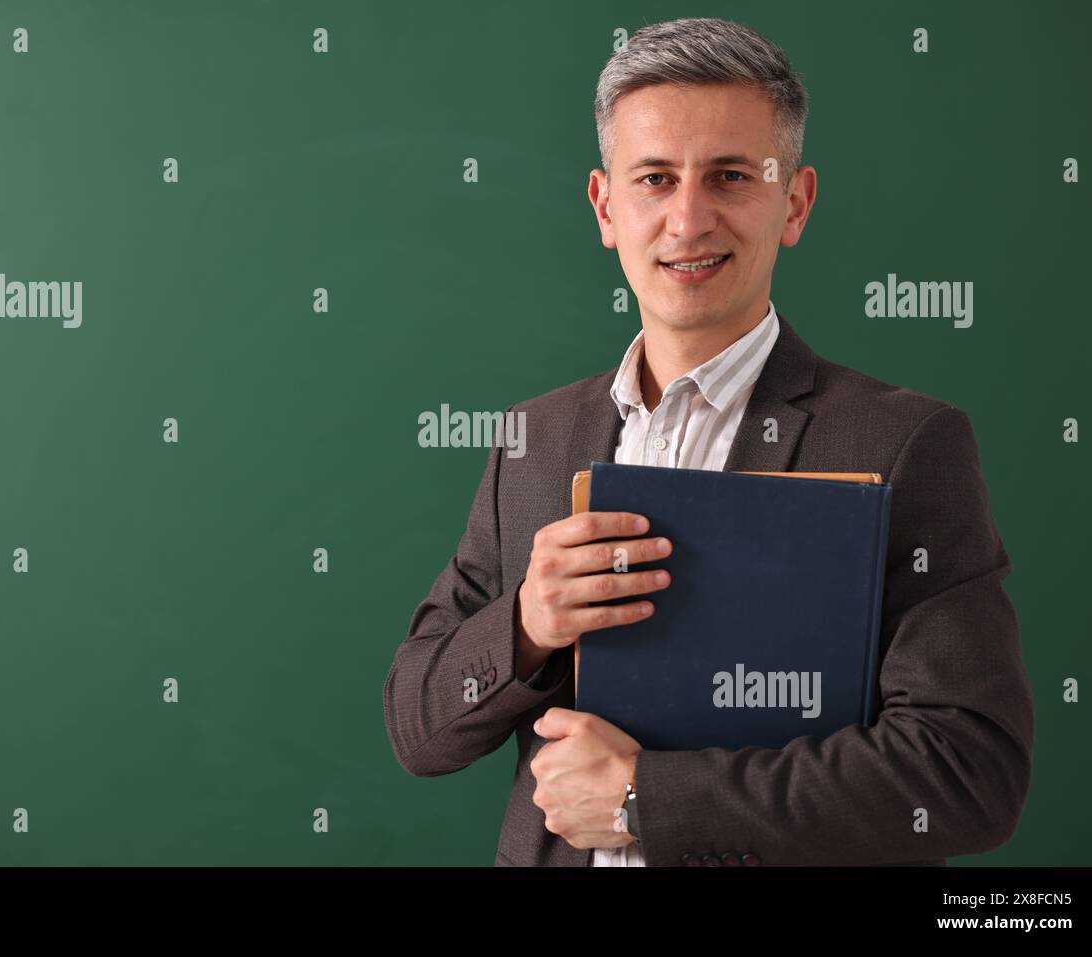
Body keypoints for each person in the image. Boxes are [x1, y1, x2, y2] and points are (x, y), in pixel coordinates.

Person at [383, 17, 1034, 867]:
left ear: (793, 202)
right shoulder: (532, 441)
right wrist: (527, 626)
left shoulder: (907, 443)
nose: (688, 219)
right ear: (606, 207)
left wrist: (640, 798)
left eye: (730, 176)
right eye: (655, 178)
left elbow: (966, 772)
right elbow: (416, 728)